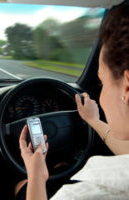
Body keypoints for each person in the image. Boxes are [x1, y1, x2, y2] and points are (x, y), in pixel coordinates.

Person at [16, 3, 129, 200]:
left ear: (127, 88)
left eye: (102, 83)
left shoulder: (87, 194)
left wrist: (35, 174)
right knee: (63, 167)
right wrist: (93, 120)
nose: (101, 94)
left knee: (21, 186)